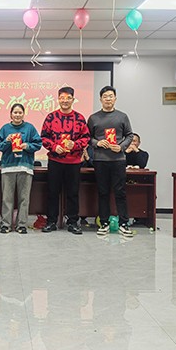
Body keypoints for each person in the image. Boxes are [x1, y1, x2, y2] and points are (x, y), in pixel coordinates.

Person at [41, 86, 90, 235]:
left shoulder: (79, 118)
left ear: (73, 99)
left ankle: (73, 222)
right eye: (62, 98)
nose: (65, 101)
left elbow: (86, 138)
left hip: (74, 162)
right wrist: (54, 147)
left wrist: (75, 145)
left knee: (73, 193)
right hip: (55, 161)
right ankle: (51, 221)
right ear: (58, 99)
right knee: (52, 192)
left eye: (68, 98)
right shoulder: (51, 117)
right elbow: (44, 137)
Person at [87, 86, 134, 237]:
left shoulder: (122, 117)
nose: (108, 99)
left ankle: (124, 223)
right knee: (103, 192)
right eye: (105, 96)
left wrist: (121, 147)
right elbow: (87, 138)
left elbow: (130, 135)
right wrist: (97, 143)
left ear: (115, 98)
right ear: (100, 99)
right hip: (100, 160)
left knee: (120, 192)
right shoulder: (93, 118)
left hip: (118, 160)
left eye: (111, 96)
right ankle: (104, 223)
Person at [0, 103, 42, 234]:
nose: (17, 115)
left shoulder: (30, 128)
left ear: (23, 114)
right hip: (8, 167)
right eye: (15, 112)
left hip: (25, 167)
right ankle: (6, 224)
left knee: (24, 198)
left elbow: (38, 144)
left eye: (20, 112)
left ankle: (22, 225)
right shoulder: (5, 128)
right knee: (7, 198)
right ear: (11, 114)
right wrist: (7, 141)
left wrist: (27, 146)